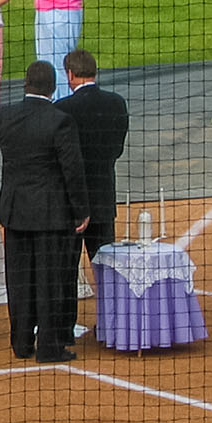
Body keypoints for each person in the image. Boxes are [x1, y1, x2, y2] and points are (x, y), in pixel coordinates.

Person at [0, 61, 89, 362]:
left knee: (19, 280)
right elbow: (72, 170)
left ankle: (21, 343)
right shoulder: (60, 120)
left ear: (26, 84)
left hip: (15, 211)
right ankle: (49, 345)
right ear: (53, 86)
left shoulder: (5, 116)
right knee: (50, 279)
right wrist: (81, 210)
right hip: (51, 213)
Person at [56, 48, 128, 264]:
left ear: (70, 74)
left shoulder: (62, 108)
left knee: (67, 270)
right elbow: (117, 149)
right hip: (103, 196)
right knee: (108, 269)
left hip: (71, 202)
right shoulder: (116, 102)